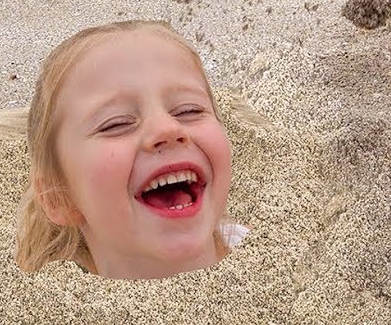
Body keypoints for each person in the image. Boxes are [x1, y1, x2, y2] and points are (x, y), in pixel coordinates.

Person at [15, 20, 244, 278]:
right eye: (116, 124)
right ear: (60, 198)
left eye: (189, 110)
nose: (167, 129)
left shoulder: (277, 251)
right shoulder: (52, 297)